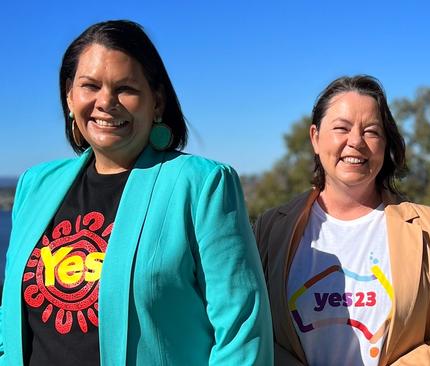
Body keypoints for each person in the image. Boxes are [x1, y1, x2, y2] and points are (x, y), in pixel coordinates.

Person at [1, 20, 272, 365]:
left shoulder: (202, 184)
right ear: (70, 95)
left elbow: (242, 331)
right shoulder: (34, 185)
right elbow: (9, 313)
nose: (106, 102)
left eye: (125, 88)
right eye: (90, 86)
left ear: (156, 102)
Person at [255, 75, 430, 365]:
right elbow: (253, 331)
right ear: (315, 137)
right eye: (341, 128)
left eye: (371, 131)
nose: (356, 142)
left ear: (385, 144)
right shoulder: (270, 230)